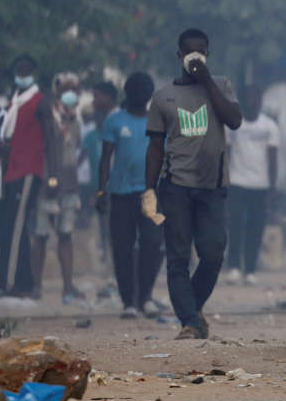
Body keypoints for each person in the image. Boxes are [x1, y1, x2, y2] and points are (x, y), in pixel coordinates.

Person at [145, 28, 242, 339]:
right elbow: (155, 147)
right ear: (179, 55)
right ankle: (189, 322)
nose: (195, 57)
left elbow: (235, 120)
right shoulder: (162, 98)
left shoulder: (221, 86)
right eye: (189, 51)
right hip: (175, 187)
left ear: (208, 54)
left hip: (213, 187)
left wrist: (207, 81)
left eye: (200, 51)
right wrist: (149, 190)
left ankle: (192, 309)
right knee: (177, 258)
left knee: (213, 254)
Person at [98, 73, 163, 318]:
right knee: (123, 248)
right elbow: (105, 159)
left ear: (149, 94)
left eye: (144, 89)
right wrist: (100, 190)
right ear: (128, 92)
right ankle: (128, 302)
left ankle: (145, 296)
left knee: (153, 245)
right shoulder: (115, 121)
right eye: (135, 89)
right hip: (121, 194)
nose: (139, 93)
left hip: (151, 194)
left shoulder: (158, 121)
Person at [0, 55, 51, 296]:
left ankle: (9, 284)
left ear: (33, 72)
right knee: (11, 227)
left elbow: (50, 140)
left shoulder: (40, 102)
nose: (21, 74)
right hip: (11, 171)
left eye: (25, 71)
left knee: (16, 227)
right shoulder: (13, 103)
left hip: (29, 170)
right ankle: (24, 282)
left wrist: (51, 177)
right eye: (18, 70)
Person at [32, 72, 85, 304]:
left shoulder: (75, 118)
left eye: (75, 89)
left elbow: (77, 148)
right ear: (58, 91)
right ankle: (35, 287)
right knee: (41, 236)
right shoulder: (47, 115)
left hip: (69, 184)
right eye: (67, 89)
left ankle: (68, 288)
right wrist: (50, 177)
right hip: (47, 184)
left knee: (66, 235)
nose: (71, 93)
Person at [224, 86, 279, 285]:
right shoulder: (232, 125)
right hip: (237, 182)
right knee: (236, 226)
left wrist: (272, 187)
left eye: (254, 98)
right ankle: (234, 267)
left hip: (260, 184)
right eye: (246, 98)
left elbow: (273, 159)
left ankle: (251, 269)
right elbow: (226, 153)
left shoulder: (270, 127)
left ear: (260, 101)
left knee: (255, 228)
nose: (250, 102)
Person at [81, 81, 117, 274]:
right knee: (104, 224)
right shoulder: (92, 136)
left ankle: (114, 263)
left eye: (96, 97)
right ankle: (106, 258)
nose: (94, 102)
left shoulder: (117, 121)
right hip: (100, 185)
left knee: (115, 225)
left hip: (118, 185)